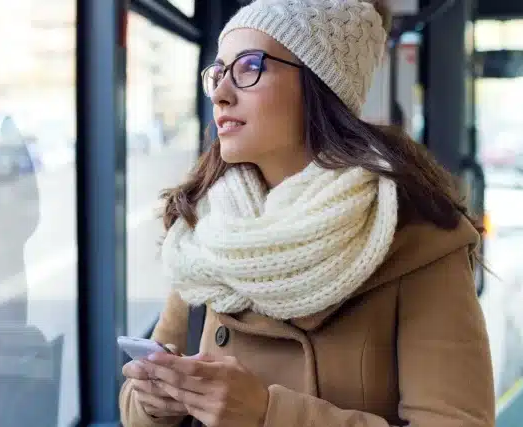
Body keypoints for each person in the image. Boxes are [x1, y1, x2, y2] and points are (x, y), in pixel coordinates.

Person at [120, 0, 495, 426]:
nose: (222, 93)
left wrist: (268, 415)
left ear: (319, 84)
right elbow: (135, 407)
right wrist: (155, 400)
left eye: (249, 67)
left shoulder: (415, 236)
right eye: (218, 73)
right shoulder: (207, 226)